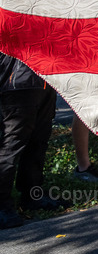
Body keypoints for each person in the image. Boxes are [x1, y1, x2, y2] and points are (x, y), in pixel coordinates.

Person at [0, 52, 67, 228]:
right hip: (17, 80)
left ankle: (32, 195)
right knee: (12, 144)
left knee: (38, 141)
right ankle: (2, 205)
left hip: (45, 77)